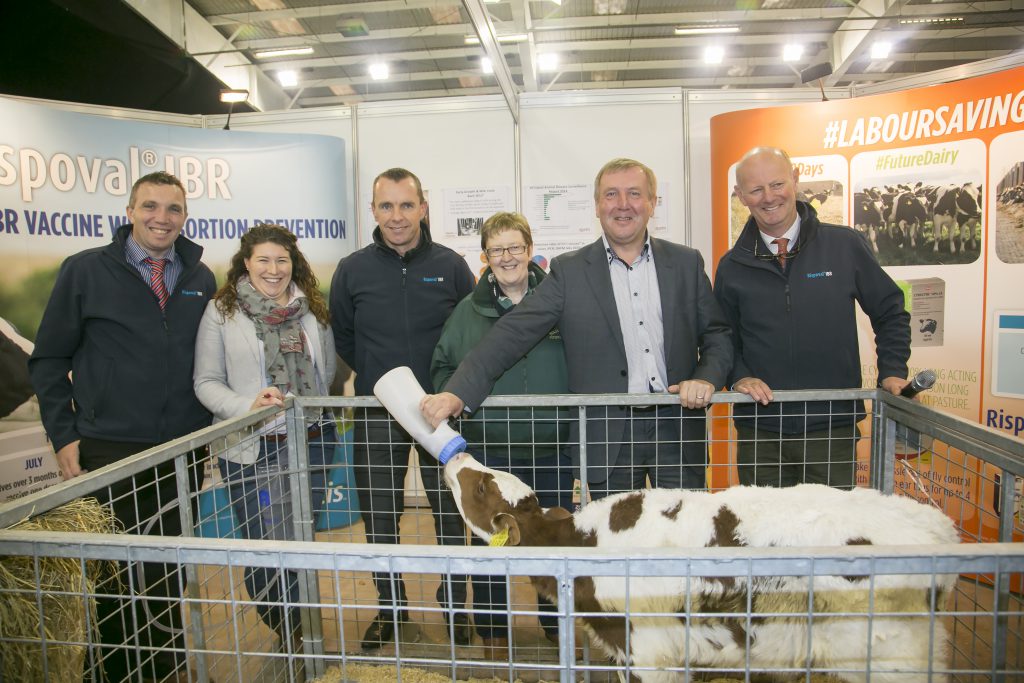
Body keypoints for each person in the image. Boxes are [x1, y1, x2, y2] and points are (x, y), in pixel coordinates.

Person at [421, 158, 733, 499]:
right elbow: (511, 334)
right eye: (611, 194)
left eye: (634, 193)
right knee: (612, 533)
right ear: (597, 206)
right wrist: (458, 393)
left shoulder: (686, 263)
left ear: (652, 202)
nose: (623, 204)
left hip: (677, 429)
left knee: (685, 529)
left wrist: (706, 378)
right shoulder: (570, 272)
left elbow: (717, 335)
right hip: (608, 438)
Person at [29, 171, 215, 683]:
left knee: (167, 568)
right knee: (112, 575)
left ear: (185, 216)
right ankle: (111, 673)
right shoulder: (85, 271)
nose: (161, 218)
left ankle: (165, 666)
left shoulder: (200, 277)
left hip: (182, 448)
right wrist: (64, 435)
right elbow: (48, 360)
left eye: (173, 209)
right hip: (108, 447)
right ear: (129, 211)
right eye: (150, 206)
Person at [329, 167, 475, 650]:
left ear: (423, 208)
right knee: (379, 514)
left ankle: (453, 602)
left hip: (440, 411)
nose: (397, 216)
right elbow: (344, 336)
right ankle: (390, 605)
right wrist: (382, 382)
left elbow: (470, 333)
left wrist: (447, 390)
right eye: (387, 206)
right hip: (378, 411)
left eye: (406, 205)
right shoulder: (351, 270)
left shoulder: (452, 265)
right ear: (373, 210)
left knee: (451, 513)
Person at [714, 146, 911, 489]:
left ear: (795, 179)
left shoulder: (844, 245)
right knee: (764, 522)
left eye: (777, 184)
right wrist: (740, 376)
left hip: (831, 427)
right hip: (761, 431)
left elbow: (890, 310)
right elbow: (721, 337)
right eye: (756, 189)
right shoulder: (731, 266)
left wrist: (893, 371)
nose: (769, 197)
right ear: (741, 196)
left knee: (830, 523)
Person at [193, 224, 337, 656]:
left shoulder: (311, 308)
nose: (273, 270)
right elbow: (205, 382)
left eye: (282, 260)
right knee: (265, 548)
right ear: (246, 263)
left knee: (300, 543)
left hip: (312, 442)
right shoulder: (222, 312)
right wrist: (248, 406)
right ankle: (285, 624)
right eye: (263, 260)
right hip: (253, 450)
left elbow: (327, 372)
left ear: (294, 263)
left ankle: (302, 634)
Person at [431, 211, 571, 654]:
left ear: (530, 250)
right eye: (497, 250)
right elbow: (443, 369)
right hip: (492, 455)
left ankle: (557, 625)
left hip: (551, 449)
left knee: (553, 540)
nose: (507, 257)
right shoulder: (466, 313)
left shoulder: (561, 303)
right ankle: (493, 629)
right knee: (492, 544)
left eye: (515, 247)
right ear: (485, 257)